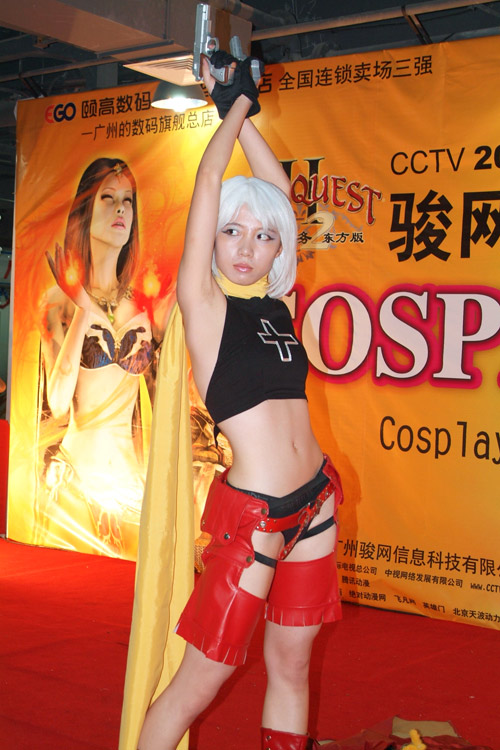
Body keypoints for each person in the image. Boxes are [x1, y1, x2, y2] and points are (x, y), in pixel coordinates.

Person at [137, 56, 343, 750]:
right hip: (253, 519)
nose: (247, 247)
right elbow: (207, 185)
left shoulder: (277, 304)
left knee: (292, 665)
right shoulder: (204, 305)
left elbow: (277, 193)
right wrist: (230, 109)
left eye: (263, 235)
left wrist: (239, 106)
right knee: (199, 683)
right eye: (232, 231)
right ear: (213, 238)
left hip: (317, 502)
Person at [38, 157, 172, 559]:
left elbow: (163, 399)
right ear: (85, 211)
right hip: (75, 483)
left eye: (128, 200)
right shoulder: (58, 302)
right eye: (108, 198)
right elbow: (57, 403)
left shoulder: (145, 305)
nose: (120, 210)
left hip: (132, 486)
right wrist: (82, 306)